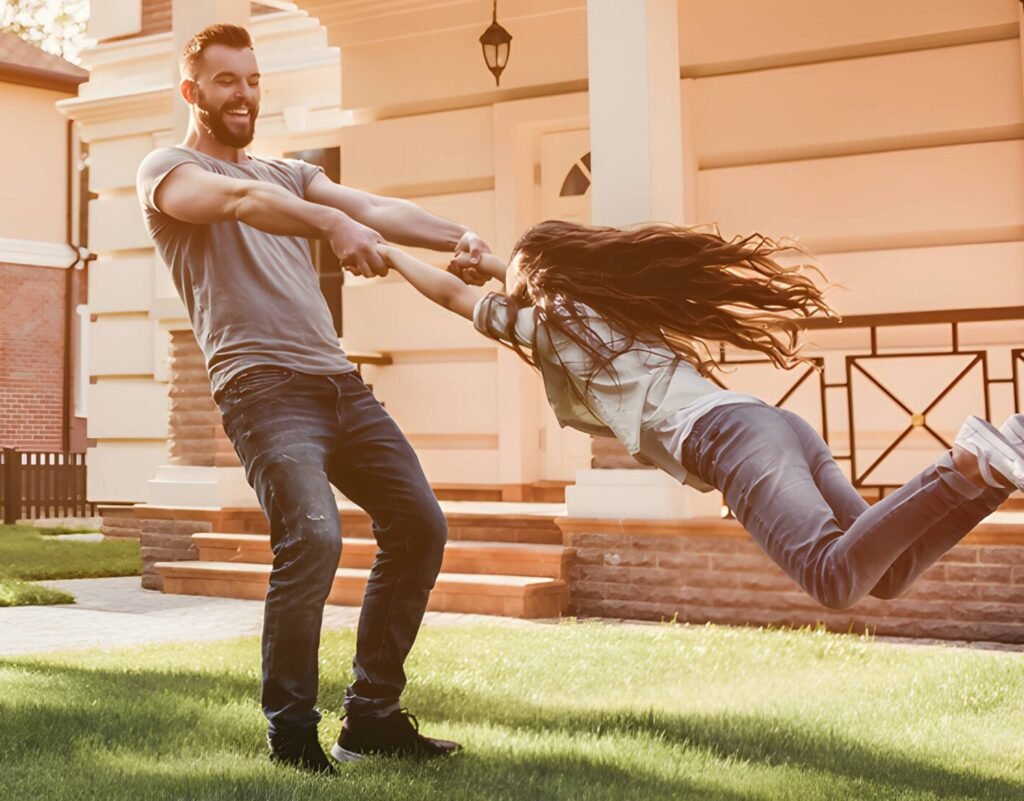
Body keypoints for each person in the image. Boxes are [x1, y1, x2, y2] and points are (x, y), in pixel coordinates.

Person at [136, 24, 489, 774]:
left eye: (253, 79)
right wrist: (331, 223)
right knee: (314, 538)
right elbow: (237, 201)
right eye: (227, 80)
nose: (244, 94)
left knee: (419, 525)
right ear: (192, 91)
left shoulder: (289, 173)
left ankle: (373, 719)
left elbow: (374, 206)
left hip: (337, 382)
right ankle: (292, 735)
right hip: (261, 388)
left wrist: (461, 236)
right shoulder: (168, 170)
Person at [387, 219, 1024, 612]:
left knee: (833, 577)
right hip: (770, 426)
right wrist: (495, 263)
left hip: (730, 442)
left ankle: (965, 462)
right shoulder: (605, 307)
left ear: (534, 284)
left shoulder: (550, 326)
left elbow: (454, 295)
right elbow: (535, 282)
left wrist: (389, 254)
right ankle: (994, 471)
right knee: (887, 574)